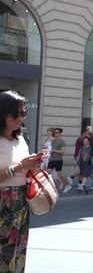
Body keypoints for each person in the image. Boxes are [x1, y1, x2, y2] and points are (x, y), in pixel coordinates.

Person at [0, 91, 45, 273]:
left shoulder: (20, 139)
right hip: (2, 201)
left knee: (18, 250)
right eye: (15, 114)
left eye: (23, 113)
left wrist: (33, 165)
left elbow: (25, 169)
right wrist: (20, 167)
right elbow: (17, 167)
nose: (20, 118)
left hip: (20, 201)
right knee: (3, 251)